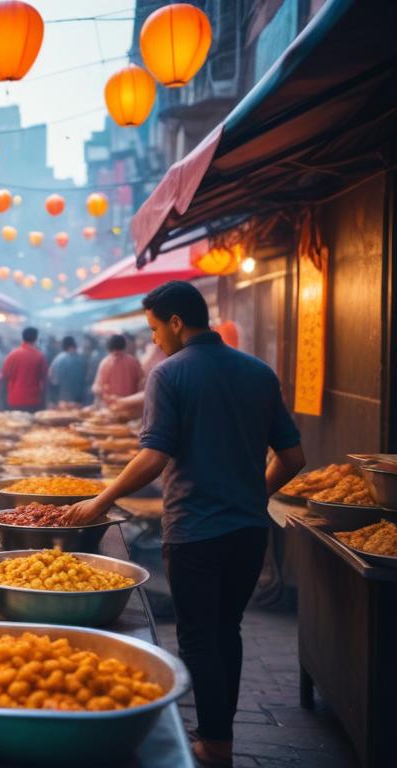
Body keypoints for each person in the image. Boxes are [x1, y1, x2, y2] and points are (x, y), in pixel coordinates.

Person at [62, 282, 305, 767]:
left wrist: (101, 499)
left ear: (176, 322)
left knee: (197, 635)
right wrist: (254, 494)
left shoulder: (169, 374)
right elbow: (294, 457)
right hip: (249, 531)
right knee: (226, 630)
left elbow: (154, 456)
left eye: (155, 328)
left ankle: (213, 746)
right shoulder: (259, 373)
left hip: (195, 529)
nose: (153, 340)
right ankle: (220, 735)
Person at [0, 328, 47, 412]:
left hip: (14, 399)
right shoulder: (39, 356)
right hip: (33, 400)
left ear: (22, 338)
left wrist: (2, 400)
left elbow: (4, 377)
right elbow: (45, 379)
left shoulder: (12, 355)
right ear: (36, 338)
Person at [92, 334, 145, 403]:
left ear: (108, 347)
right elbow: (142, 382)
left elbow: (97, 388)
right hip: (132, 405)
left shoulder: (105, 363)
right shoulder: (133, 361)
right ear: (124, 346)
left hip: (113, 407)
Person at [47, 336, 87, 406]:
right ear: (73, 346)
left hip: (61, 400)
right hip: (77, 400)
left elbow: (52, 379)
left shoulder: (58, 359)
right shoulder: (80, 359)